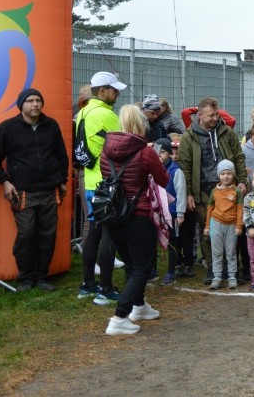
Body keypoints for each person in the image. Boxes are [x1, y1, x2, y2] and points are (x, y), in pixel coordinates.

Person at [101, 105, 169, 335]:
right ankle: (119, 317)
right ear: (141, 124)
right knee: (142, 268)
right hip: (138, 215)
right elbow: (163, 179)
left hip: (113, 215)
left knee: (131, 264)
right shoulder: (145, 151)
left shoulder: (105, 149)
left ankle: (139, 307)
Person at [0, 88, 68, 292]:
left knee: (47, 235)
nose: (35, 104)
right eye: (30, 101)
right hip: (22, 192)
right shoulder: (6, 129)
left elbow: (61, 156)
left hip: (50, 191)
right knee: (25, 234)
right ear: (21, 105)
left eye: (38, 100)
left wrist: (62, 180)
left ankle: (42, 277)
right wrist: (4, 182)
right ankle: (25, 278)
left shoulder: (51, 126)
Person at [178, 97, 247, 285]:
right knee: (208, 232)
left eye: (217, 114)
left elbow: (239, 157)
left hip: (230, 188)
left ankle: (231, 269)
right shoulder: (189, 137)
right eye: (211, 115)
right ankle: (212, 269)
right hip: (203, 192)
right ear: (200, 115)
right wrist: (188, 193)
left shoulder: (226, 132)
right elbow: (185, 166)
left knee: (233, 230)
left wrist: (242, 181)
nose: (215, 118)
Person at [75, 71, 126, 304]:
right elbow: (120, 149)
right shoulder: (107, 115)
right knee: (109, 234)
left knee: (93, 233)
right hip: (107, 185)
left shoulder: (82, 112)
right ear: (102, 91)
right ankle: (105, 289)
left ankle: (87, 284)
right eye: (114, 90)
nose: (117, 94)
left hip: (90, 182)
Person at [153, 138, 190, 286]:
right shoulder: (153, 169)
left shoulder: (176, 171)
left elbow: (181, 192)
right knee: (153, 243)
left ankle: (171, 272)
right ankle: (152, 271)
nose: (159, 155)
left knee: (172, 243)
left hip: (172, 214)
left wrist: (180, 213)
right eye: (157, 152)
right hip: (156, 213)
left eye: (162, 152)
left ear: (169, 153)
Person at [204, 160, 244, 290]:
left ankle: (232, 277)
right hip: (216, 223)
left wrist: (239, 226)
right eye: (223, 174)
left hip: (231, 225)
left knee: (231, 252)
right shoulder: (214, 191)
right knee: (217, 252)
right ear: (219, 175)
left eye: (229, 173)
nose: (226, 176)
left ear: (233, 175)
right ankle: (217, 278)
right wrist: (207, 226)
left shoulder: (237, 191)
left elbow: (240, 209)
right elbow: (210, 209)